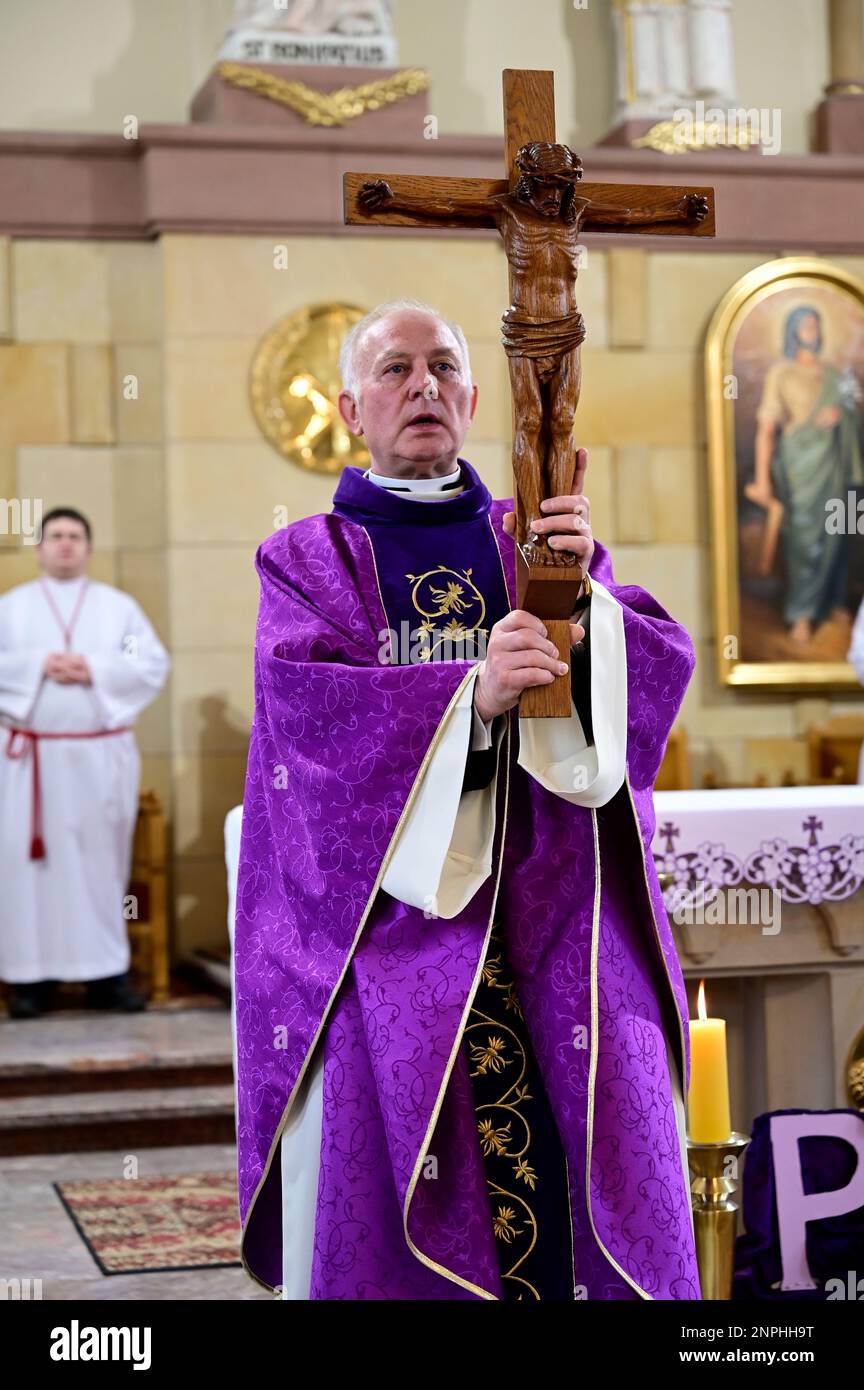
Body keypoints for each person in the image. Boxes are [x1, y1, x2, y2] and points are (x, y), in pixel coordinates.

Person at [233, 300, 699, 1301]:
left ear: (476, 397)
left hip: (553, 901)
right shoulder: (308, 557)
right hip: (397, 916)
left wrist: (584, 605)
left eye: (443, 366)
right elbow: (313, 719)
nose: (424, 387)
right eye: (395, 371)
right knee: (389, 1083)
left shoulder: (532, 531)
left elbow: (648, 678)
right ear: (353, 409)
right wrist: (470, 696)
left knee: (612, 1058)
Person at [0, 508, 170, 1018]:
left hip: (100, 760)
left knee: (100, 865)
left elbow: (149, 663)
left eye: (76, 536)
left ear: (89, 548)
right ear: (40, 548)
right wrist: (39, 665)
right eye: (56, 536)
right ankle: (31, 980)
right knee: (29, 870)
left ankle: (106, 975)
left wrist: (94, 668)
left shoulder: (118, 609)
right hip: (29, 764)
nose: (66, 544)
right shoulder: (11, 608)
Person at [747, 305, 864, 645]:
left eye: (815, 326)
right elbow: (767, 427)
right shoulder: (781, 374)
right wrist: (763, 478)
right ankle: (801, 611)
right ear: (793, 331)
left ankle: (830, 603)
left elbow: (854, 414)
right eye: (805, 327)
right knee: (803, 538)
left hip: (834, 465)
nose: (811, 332)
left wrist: (841, 413)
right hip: (800, 466)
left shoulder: (835, 375)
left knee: (837, 533)